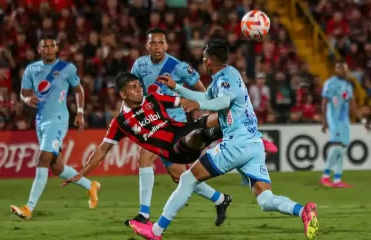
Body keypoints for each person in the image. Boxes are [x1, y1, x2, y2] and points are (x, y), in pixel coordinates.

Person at [129, 40, 319, 240]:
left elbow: (223, 101)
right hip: (253, 145)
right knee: (265, 199)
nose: (202, 60)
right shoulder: (225, 75)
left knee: (187, 178)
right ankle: (302, 211)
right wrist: (177, 87)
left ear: (209, 61)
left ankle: (155, 231)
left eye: (203, 57)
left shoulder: (225, 80)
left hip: (236, 144)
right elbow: (203, 96)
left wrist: (199, 103)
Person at [62, 72, 232, 225]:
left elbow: (183, 101)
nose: (139, 89)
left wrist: (193, 103)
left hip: (181, 131)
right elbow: (102, 150)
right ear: (123, 94)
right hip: (174, 149)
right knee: (189, 141)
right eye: (133, 87)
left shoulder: (153, 99)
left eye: (139, 86)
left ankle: (220, 198)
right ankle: (212, 134)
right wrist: (81, 173)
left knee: (208, 122)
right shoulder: (120, 123)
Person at [130, 27, 231, 225]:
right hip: (153, 122)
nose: (157, 46)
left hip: (173, 123)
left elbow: (200, 87)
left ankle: (144, 215)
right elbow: (133, 89)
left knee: (144, 156)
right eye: (153, 43)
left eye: (160, 43)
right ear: (147, 45)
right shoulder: (139, 65)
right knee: (179, 176)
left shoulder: (178, 67)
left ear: (166, 45)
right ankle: (220, 199)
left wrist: (203, 108)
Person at [10, 34, 100, 220]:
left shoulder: (66, 68)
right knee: (57, 167)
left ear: (57, 48)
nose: (49, 49)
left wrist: (80, 112)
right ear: (39, 49)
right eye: (45, 46)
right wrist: (27, 98)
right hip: (40, 120)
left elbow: (78, 89)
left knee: (43, 159)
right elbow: (24, 92)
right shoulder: (31, 69)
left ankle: (29, 208)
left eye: (52, 46)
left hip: (58, 119)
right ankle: (90, 185)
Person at [320, 61, 368, 188]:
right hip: (333, 119)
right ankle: (325, 176)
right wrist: (324, 120)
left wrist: (362, 120)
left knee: (341, 149)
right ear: (336, 70)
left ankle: (337, 179)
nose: (342, 71)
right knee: (336, 146)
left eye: (344, 69)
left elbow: (352, 105)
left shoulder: (348, 85)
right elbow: (324, 102)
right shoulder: (330, 84)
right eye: (339, 69)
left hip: (344, 121)